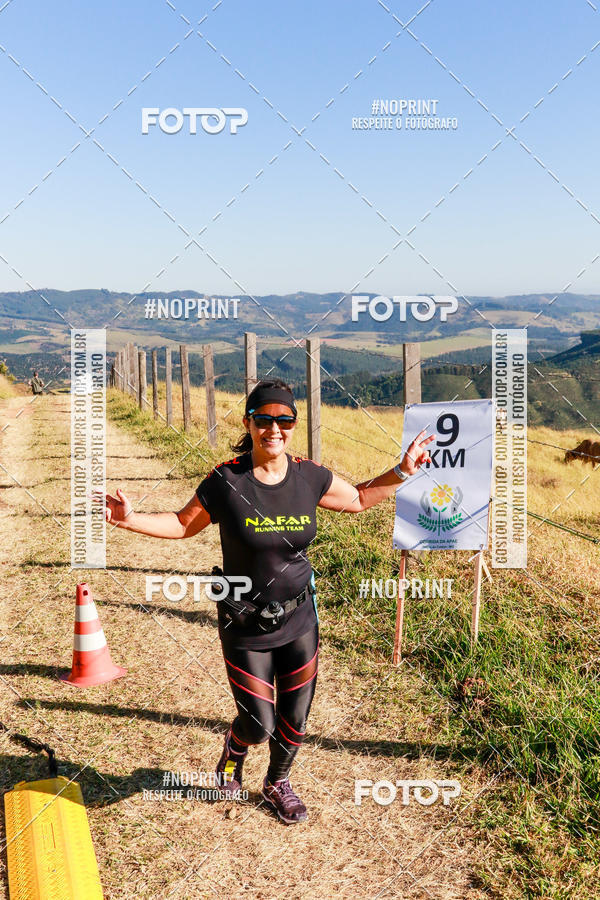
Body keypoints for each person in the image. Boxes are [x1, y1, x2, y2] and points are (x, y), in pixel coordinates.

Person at [105, 378, 434, 824]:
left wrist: (402, 471)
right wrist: (128, 520)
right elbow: (183, 525)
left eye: (284, 420)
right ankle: (234, 749)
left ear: (293, 425)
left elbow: (357, 498)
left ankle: (277, 781)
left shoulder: (309, 475)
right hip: (243, 621)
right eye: (264, 419)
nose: (273, 429)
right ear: (249, 423)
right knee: (258, 722)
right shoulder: (227, 479)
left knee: (294, 719)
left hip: (299, 618)